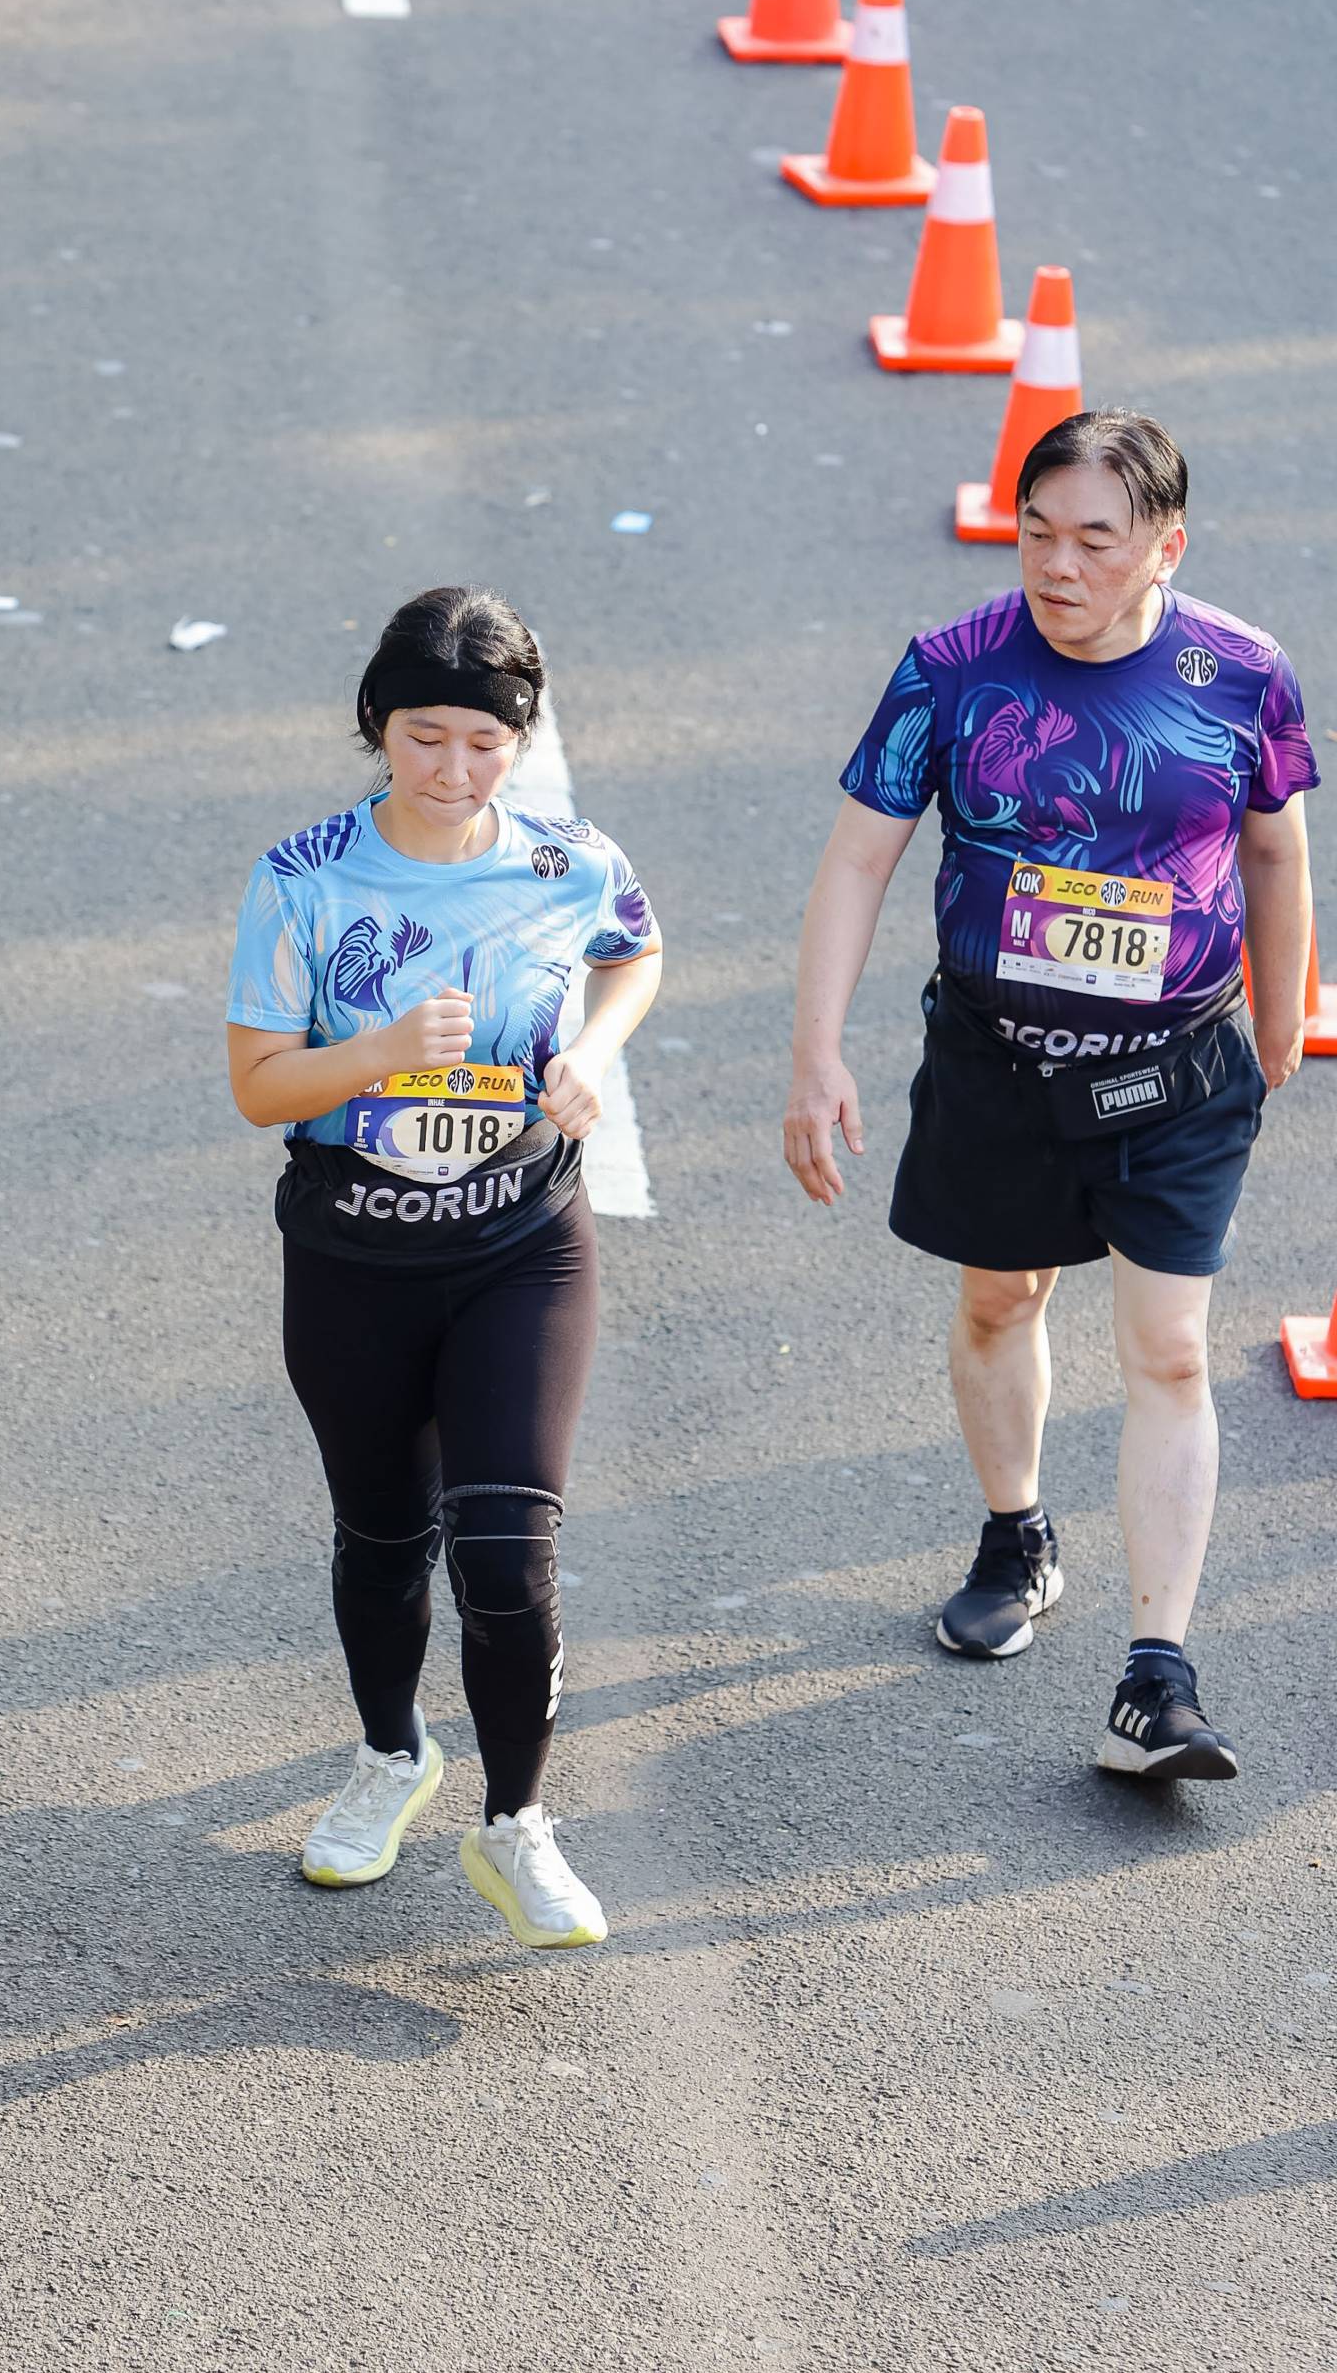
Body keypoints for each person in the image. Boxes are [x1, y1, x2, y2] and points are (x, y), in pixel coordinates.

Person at [784, 410, 1318, 1779]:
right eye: (1036, 533)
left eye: (1096, 540)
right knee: (999, 1299)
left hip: (1178, 1070)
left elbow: (1274, 851)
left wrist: (1279, 1013)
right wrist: (816, 1051)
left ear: (1166, 548)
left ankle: (1158, 1677)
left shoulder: (1241, 674)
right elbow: (859, 860)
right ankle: (1016, 1533)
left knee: (1173, 1353)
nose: (1059, 566)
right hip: (1000, 1063)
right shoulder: (952, 669)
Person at [227, 587, 662, 1944]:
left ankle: (517, 1825)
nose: (455, 769)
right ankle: (388, 1757)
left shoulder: (570, 863)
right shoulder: (303, 877)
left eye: (487, 743)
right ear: (375, 722)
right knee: (381, 1538)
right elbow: (257, 1085)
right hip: (352, 1254)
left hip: (520, 1244)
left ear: (521, 741)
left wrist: (590, 1053)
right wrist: (376, 1053)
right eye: (424, 737)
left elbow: (636, 954)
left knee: (508, 1549)